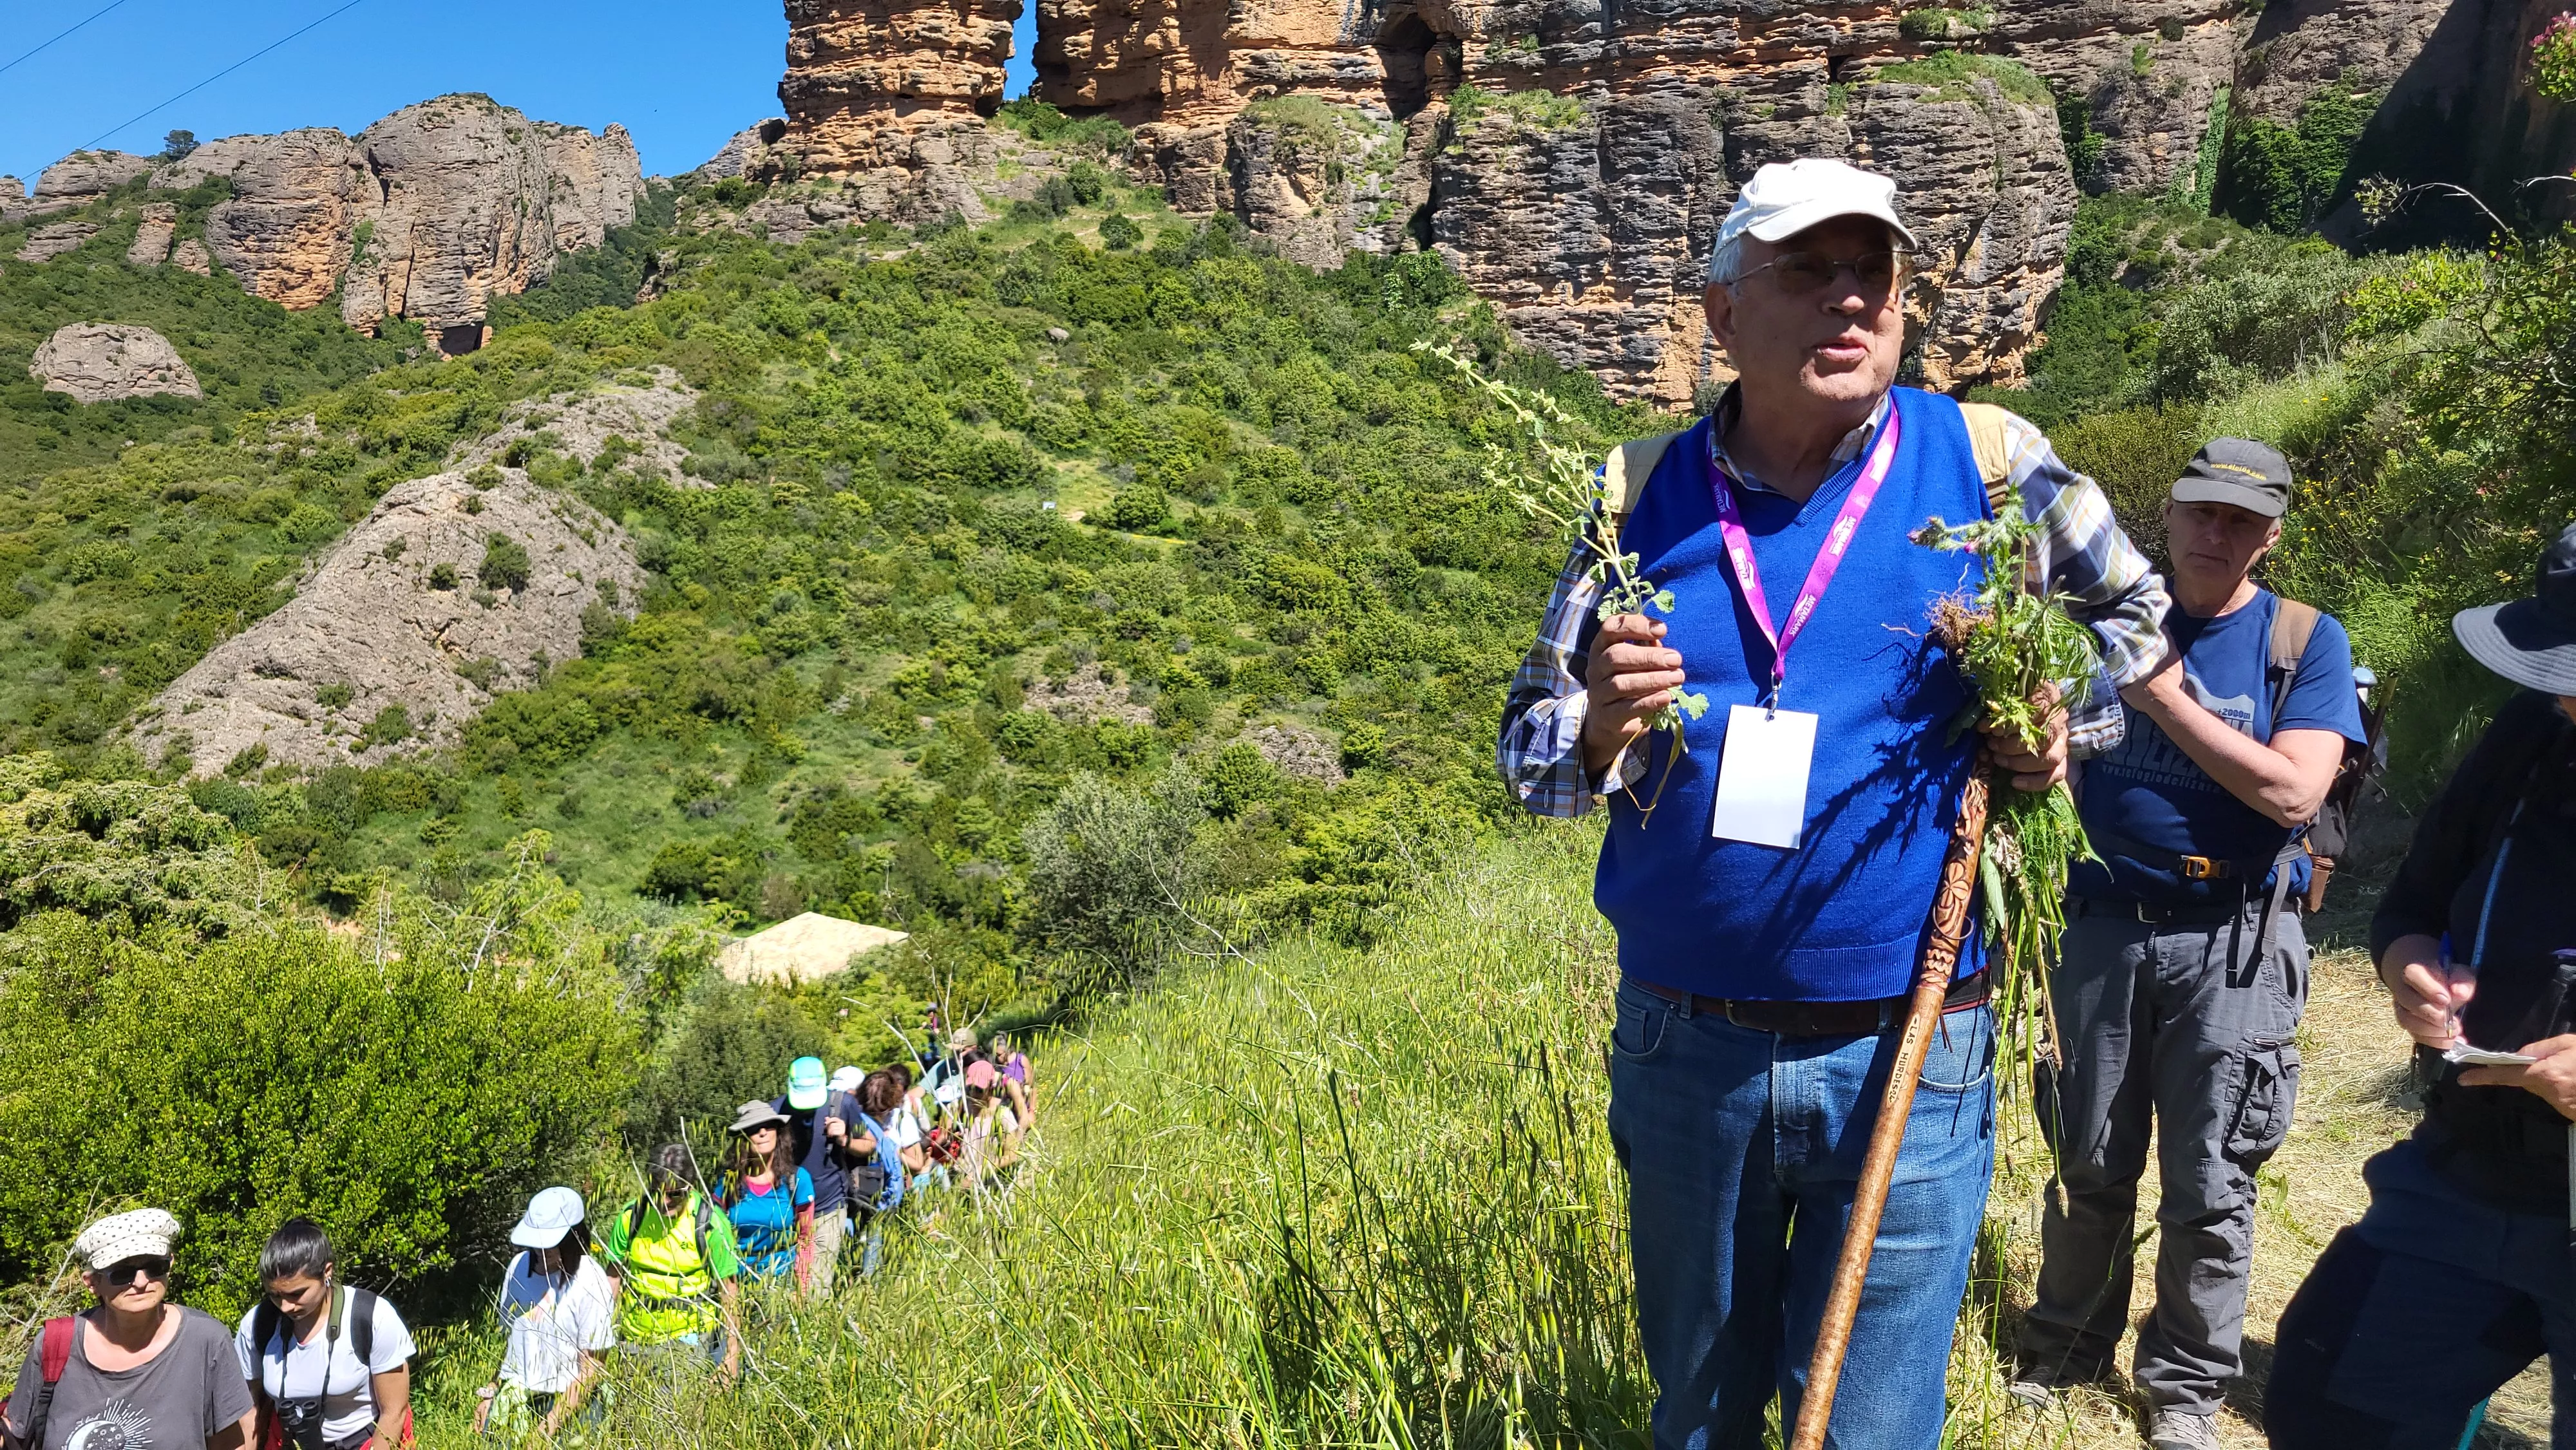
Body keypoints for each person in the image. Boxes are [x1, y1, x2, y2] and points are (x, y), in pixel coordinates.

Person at [1497, 156, 2172, 1449]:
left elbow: (2132, 623)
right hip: (1688, 1047)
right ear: (1719, 314)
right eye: (1804, 271)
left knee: (1864, 1423)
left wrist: (2051, 717)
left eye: (1873, 273)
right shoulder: (1631, 499)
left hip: (1911, 1045)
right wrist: (1591, 725)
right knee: (1696, 1417)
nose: (1848, 300)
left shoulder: (1982, 463)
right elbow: (1525, 759)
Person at [2010, 442, 2365, 1450]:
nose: (2217, 533)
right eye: (2201, 512)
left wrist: (2155, 684)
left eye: (2241, 520)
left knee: (2212, 1182)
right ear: (2163, 517)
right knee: (2087, 1156)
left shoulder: (2304, 640)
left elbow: (2295, 790)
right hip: (2103, 929)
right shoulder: (2089, 623)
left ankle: (2185, 1388)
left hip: (2238, 943)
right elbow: (2050, 775)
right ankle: (2065, 1350)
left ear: (2271, 536)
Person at [2266, 522, 2576, 1446]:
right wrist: (2410, 968)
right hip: (2472, 1171)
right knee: (2334, 1399)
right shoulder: (2532, 735)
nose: (2563, 698)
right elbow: (2414, 899)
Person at [3, 1209, 254, 1450]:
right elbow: (15, 1431)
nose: (142, 1282)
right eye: (122, 1273)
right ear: (92, 1283)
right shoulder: (55, 1345)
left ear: (171, 1264)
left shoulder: (206, 1342)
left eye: (155, 1267)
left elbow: (231, 1443)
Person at [235, 1219, 414, 1450]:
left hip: (366, 1442)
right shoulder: (259, 1323)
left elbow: (394, 1412)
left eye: (297, 1294)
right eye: (275, 1296)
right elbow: (250, 1411)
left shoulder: (372, 1317)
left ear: (326, 1272)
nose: (285, 1307)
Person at [475, 1187, 614, 1440]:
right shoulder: (518, 1267)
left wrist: (547, 1430)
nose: (539, 1252)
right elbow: (509, 1345)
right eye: (535, 1244)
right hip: (515, 1405)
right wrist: (490, 1393)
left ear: (573, 1239)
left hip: (570, 1411)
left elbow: (593, 1368)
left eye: (549, 1245)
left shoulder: (591, 1280)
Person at [600, 1144, 743, 1389]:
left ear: (691, 1186)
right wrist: (600, 1341)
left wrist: (732, 1356)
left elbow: (729, 1291)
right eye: (658, 1193)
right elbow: (612, 1279)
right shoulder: (632, 1216)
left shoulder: (709, 1224)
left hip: (686, 1345)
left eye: (675, 1194)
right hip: (633, 1341)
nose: (665, 1202)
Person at [770, 1056, 869, 1294]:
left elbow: (868, 1144)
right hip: (787, 1211)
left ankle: (815, 1328)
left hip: (828, 1206)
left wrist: (845, 1139)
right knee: (785, 1286)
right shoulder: (775, 1110)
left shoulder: (844, 1105)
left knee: (816, 1284)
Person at [719, 1101, 814, 1286]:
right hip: (737, 1282)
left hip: (781, 1284)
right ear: (743, 1137)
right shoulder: (727, 1182)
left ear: (778, 1133)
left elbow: (806, 1238)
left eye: (769, 1126)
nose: (763, 1132)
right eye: (754, 1128)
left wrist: (801, 1287)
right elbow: (718, 1237)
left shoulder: (797, 1180)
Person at [850, 1070, 913, 1276]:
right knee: (872, 1261)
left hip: (855, 1202)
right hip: (877, 1206)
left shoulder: (855, 1121)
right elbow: (892, 1177)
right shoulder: (877, 1134)